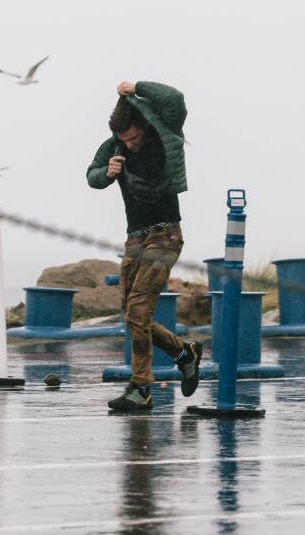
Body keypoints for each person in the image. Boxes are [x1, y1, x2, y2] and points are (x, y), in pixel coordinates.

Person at [86, 80, 203, 411]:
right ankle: (185, 352)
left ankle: (141, 387)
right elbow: (91, 174)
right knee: (131, 314)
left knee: (138, 311)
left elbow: (175, 99)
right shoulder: (115, 147)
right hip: (135, 239)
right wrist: (106, 173)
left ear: (141, 126)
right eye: (125, 140)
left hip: (165, 235)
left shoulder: (162, 132)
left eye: (134, 138)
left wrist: (136, 85)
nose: (131, 145)